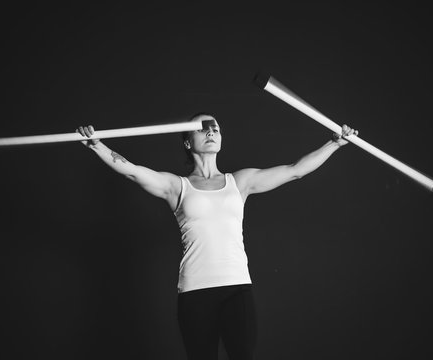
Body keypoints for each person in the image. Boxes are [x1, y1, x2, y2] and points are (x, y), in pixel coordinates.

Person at [77, 113, 357, 360]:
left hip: (237, 289)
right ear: (187, 141)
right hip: (194, 292)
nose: (211, 131)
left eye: (216, 128)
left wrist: (335, 143)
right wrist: (97, 145)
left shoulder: (241, 181)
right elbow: (132, 172)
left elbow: (295, 170)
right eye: (202, 127)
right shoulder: (177, 186)